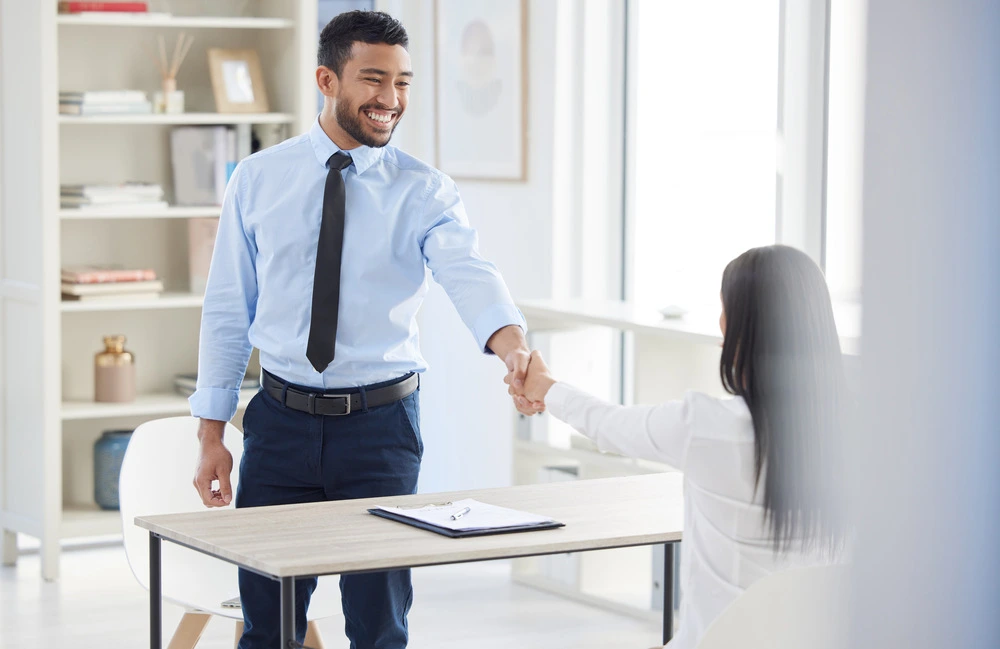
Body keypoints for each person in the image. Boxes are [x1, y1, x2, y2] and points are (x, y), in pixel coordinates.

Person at [190, 11, 542, 649]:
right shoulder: (257, 179)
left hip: (380, 431)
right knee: (268, 628)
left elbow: (470, 274)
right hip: (278, 421)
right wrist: (212, 433)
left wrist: (513, 348)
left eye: (403, 83)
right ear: (327, 78)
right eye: (374, 80)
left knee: (380, 628)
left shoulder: (426, 192)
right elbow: (226, 309)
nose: (390, 100)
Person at [517, 245, 847, 649]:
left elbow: (608, 425)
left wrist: (544, 388)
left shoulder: (708, 427)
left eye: (724, 310)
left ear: (741, 327)